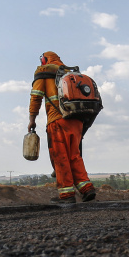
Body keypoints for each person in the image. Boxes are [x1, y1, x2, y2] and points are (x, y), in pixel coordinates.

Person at [28, 51, 97, 203]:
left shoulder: (44, 73)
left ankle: (67, 195)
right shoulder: (69, 73)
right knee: (74, 156)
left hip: (57, 121)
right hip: (77, 120)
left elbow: (36, 97)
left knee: (60, 157)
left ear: (44, 60)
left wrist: (32, 119)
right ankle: (86, 188)